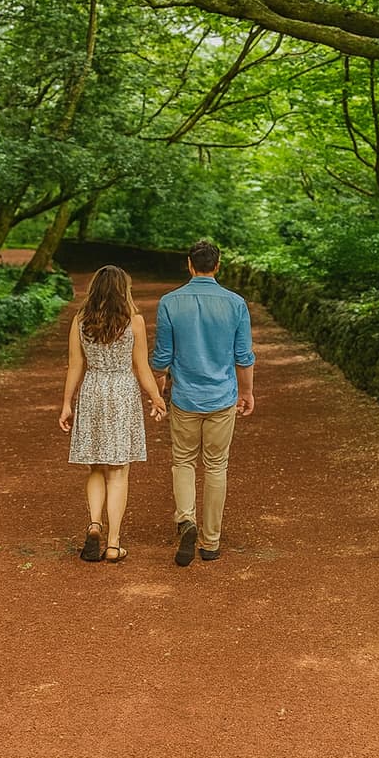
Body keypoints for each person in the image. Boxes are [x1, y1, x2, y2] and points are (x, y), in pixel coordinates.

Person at [151, 240, 256, 567]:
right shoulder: (236, 303)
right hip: (222, 396)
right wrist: (246, 393)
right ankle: (210, 541)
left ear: (189, 264)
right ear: (218, 265)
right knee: (216, 465)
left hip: (185, 397)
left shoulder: (170, 302)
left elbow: (162, 357)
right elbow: (243, 357)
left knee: (183, 460)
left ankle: (187, 520)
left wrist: (158, 388)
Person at [59, 265, 166, 563]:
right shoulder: (135, 323)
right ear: (124, 290)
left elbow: (75, 365)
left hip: (93, 389)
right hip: (121, 393)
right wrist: (156, 398)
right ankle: (113, 543)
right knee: (118, 471)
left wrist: (67, 402)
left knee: (95, 466)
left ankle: (94, 524)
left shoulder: (80, 321)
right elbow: (141, 367)